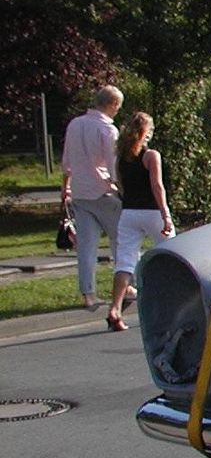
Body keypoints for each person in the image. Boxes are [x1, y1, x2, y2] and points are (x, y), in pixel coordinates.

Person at [105, 112, 174, 332]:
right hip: (152, 212)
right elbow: (157, 186)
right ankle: (169, 304)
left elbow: (120, 187)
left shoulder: (122, 158)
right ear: (146, 132)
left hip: (129, 213)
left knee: (125, 261)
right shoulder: (150, 155)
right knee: (171, 254)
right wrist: (165, 213)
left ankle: (115, 307)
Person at [60, 85, 124, 310]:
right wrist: (121, 188)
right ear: (112, 105)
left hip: (80, 191)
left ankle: (88, 294)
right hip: (103, 191)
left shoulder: (75, 124)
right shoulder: (108, 129)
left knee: (86, 247)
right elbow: (112, 164)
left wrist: (65, 188)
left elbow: (67, 161)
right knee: (121, 239)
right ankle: (126, 284)